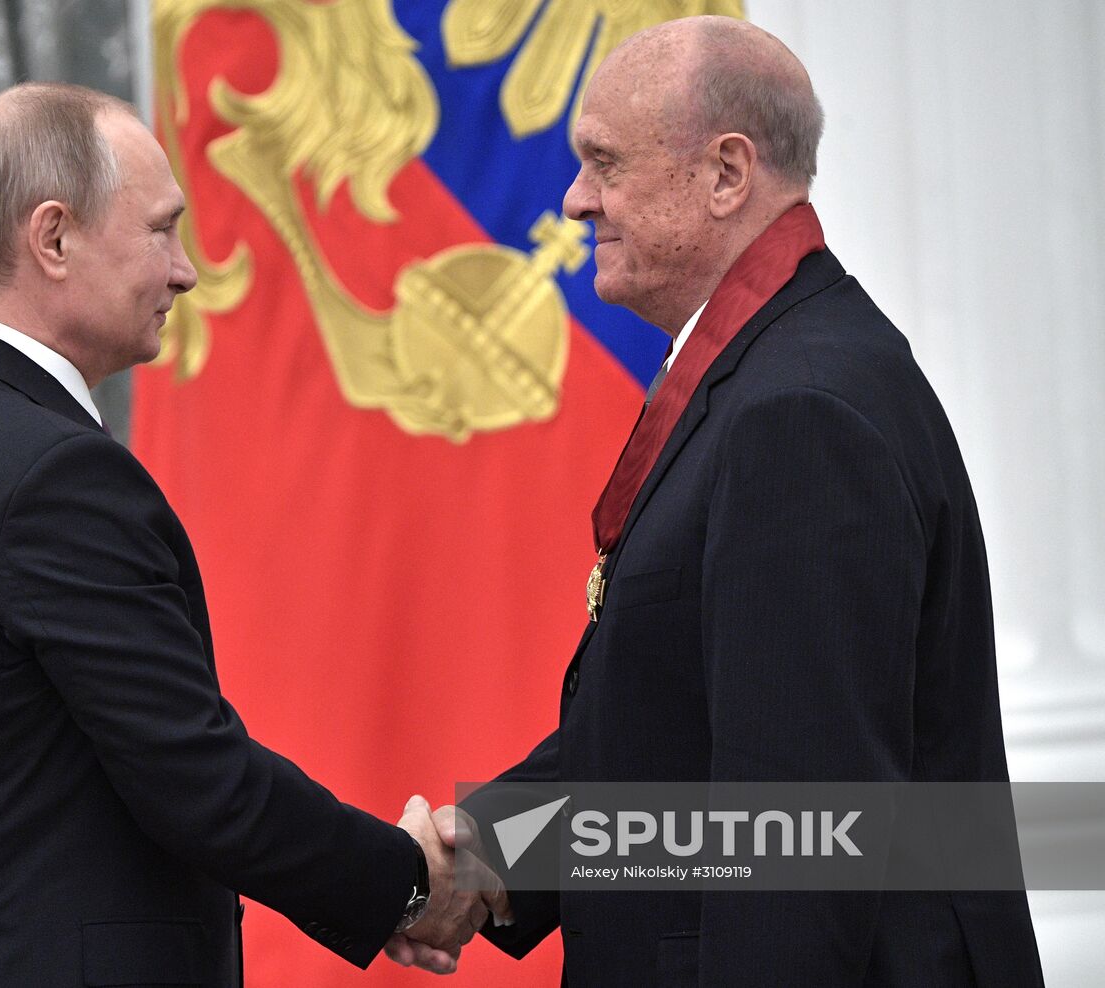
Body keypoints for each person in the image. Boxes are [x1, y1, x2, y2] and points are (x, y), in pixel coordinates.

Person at [388, 15, 1043, 986]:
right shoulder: (777, 375)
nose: (573, 200)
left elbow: (793, 848)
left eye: (602, 164)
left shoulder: (799, 412)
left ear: (725, 174)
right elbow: (670, 738)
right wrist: (483, 853)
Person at [0, 82, 502, 987]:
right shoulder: (54, 474)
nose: (185, 270)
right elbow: (197, 781)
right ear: (53, 238)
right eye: (159, 230)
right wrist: (407, 882)